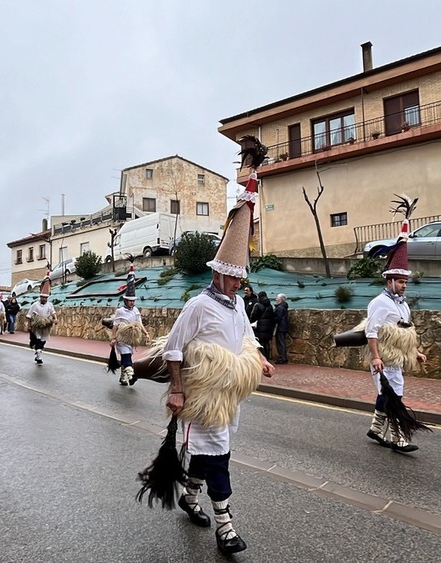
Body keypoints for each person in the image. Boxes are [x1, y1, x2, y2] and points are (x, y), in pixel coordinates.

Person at [136, 141, 273, 556]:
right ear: (219, 275)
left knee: (215, 452)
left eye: (240, 280)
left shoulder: (236, 308)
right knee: (218, 461)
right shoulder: (198, 306)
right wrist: (176, 390)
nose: (238, 285)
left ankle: (189, 497)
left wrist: (261, 359)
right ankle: (225, 526)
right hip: (202, 397)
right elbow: (175, 349)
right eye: (233, 279)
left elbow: (247, 335)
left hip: (228, 396)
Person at [364, 195, 429, 454]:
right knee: (393, 397)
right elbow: (372, 331)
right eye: (400, 282)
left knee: (387, 395)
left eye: (405, 282)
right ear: (389, 280)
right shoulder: (379, 303)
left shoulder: (402, 304)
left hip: (398, 359)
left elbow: (405, 333)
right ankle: (399, 438)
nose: (404, 285)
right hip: (384, 360)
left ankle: (377, 429)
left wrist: (416, 352)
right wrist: (376, 357)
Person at [110, 264, 150, 386]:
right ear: (125, 300)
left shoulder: (136, 310)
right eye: (130, 300)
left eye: (133, 300)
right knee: (126, 357)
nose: (132, 302)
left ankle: (122, 378)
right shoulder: (120, 311)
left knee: (127, 357)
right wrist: (113, 338)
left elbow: (139, 323)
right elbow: (115, 326)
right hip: (122, 338)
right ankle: (131, 376)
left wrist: (146, 334)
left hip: (131, 339)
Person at [26, 272, 57, 364]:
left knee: (44, 339)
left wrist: (55, 319)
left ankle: (38, 351)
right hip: (37, 325)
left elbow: (53, 312)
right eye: (42, 298)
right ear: (40, 297)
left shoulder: (49, 305)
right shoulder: (35, 305)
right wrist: (28, 325)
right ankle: (38, 355)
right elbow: (29, 315)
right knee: (38, 338)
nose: (44, 299)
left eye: (45, 298)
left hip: (46, 325)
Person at [250, 290, 275, 360]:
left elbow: (253, 316)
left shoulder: (257, 305)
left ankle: (262, 358)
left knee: (260, 342)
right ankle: (267, 357)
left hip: (260, 326)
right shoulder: (270, 305)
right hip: (268, 327)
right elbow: (272, 316)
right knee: (267, 342)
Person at [273, 293, 290, 364]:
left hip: (280, 327)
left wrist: (272, 319)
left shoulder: (280, 308)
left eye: (277, 298)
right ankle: (283, 357)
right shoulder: (283, 307)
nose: (276, 299)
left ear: (281, 299)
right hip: (283, 327)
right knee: (282, 342)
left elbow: (278, 318)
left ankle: (282, 358)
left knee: (280, 343)